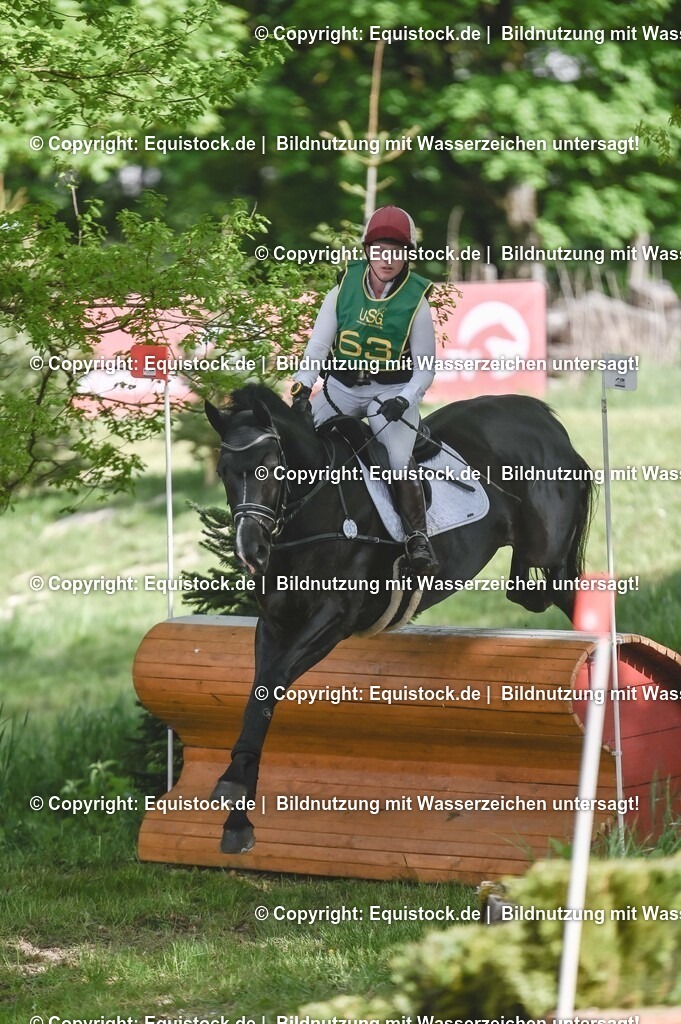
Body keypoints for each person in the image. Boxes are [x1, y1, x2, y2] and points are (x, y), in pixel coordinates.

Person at [289, 205, 439, 574]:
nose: (387, 259)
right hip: (340, 389)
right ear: (367, 251)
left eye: (396, 251)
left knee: (399, 460)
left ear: (407, 254)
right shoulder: (342, 290)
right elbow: (318, 346)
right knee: (295, 443)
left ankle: (417, 538)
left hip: (390, 394)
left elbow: (425, 368)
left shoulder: (417, 302)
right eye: (380, 250)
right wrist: (302, 385)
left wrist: (405, 399)